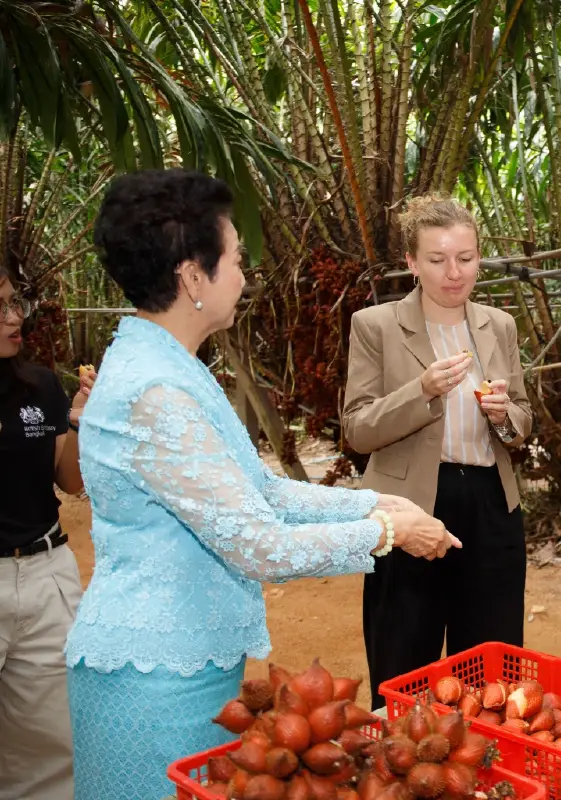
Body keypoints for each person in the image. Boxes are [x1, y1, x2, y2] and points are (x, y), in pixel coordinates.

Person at [66, 169, 460, 800]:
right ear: (193, 276)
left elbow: (260, 492)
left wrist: (373, 501)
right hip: (155, 675)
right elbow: (256, 543)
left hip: (186, 660)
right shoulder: (159, 391)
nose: (246, 276)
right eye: (236, 259)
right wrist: (388, 531)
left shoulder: (171, 368)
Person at [343, 195, 533, 710]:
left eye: (466, 258)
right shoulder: (376, 326)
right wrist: (421, 390)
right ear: (410, 262)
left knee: (492, 668)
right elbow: (357, 429)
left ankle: (486, 774)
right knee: (404, 660)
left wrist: (503, 416)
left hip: (492, 507)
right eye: (437, 259)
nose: (455, 272)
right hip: (410, 509)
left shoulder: (500, 325)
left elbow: (521, 419)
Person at [0, 268, 93, 799]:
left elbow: (70, 480)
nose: (16, 318)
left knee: (55, 744)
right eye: (2, 307)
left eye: (16, 304)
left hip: (44, 574)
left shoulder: (39, 384)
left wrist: (77, 420)